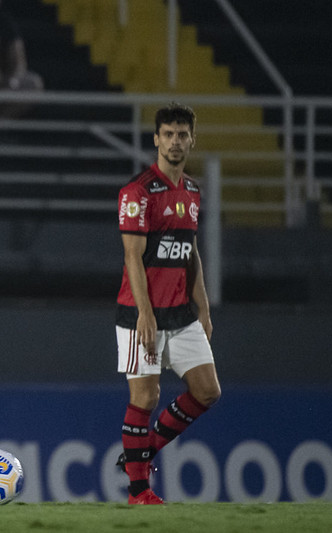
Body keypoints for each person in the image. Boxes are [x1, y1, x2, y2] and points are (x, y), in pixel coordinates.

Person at [115, 103, 221, 505]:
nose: (175, 141)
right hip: (139, 314)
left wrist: (204, 308)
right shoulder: (138, 192)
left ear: (192, 140)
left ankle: (139, 454)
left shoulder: (192, 191)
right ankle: (139, 490)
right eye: (168, 134)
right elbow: (132, 256)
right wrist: (144, 313)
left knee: (207, 391)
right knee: (144, 398)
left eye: (182, 134)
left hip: (181, 312)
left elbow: (189, 250)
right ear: (156, 139)